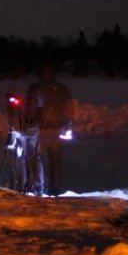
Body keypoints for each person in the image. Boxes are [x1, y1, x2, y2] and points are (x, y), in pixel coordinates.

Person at [25, 66, 76, 195]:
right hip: (57, 130)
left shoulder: (35, 88)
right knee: (55, 161)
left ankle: (36, 188)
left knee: (35, 160)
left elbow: (30, 108)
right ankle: (55, 189)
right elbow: (70, 108)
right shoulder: (62, 89)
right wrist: (68, 125)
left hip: (41, 131)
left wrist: (29, 125)